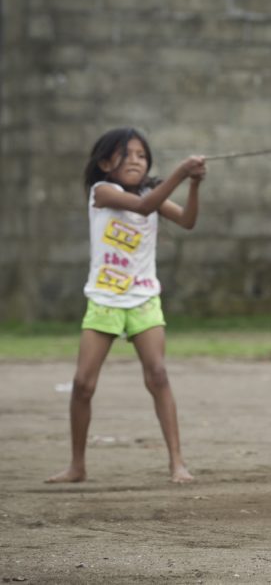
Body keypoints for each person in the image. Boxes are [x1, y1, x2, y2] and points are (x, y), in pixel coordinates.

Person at [46, 127, 206, 484]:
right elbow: (144, 207)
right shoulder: (102, 192)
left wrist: (193, 184)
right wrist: (180, 173)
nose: (136, 160)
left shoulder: (153, 192)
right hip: (104, 300)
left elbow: (188, 220)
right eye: (127, 154)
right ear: (105, 163)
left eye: (141, 155)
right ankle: (77, 465)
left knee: (158, 375)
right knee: (83, 384)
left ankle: (177, 462)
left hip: (143, 299)